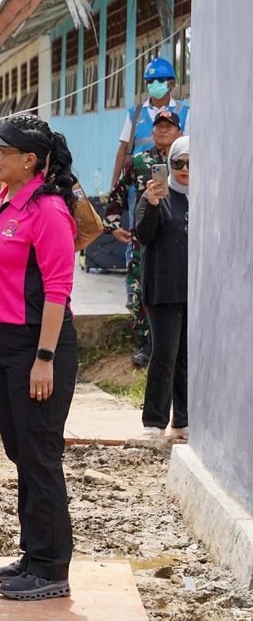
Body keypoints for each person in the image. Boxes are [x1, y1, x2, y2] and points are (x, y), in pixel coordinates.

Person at [0, 113, 78, 601]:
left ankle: (52, 568)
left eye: (1, 151)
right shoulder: (4, 200)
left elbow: (58, 289)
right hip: (2, 341)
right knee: (19, 450)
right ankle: (35, 554)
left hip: (37, 345)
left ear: (30, 160)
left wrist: (44, 357)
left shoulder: (49, 210)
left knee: (40, 455)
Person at [104, 109, 182, 367]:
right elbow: (117, 192)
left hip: (178, 240)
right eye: (158, 126)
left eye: (168, 126)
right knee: (140, 289)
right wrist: (113, 224)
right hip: (144, 238)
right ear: (152, 131)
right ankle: (147, 344)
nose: (162, 130)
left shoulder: (186, 162)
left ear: (178, 133)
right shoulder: (138, 162)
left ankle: (173, 345)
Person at [133, 136, 190, 441]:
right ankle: (154, 422)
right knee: (165, 354)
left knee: (186, 356)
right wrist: (153, 204)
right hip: (163, 288)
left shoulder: (201, 196)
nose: (184, 169)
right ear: (169, 165)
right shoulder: (155, 196)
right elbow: (143, 235)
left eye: (191, 164)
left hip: (194, 290)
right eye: (178, 163)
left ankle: (183, 421)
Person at [109, 57, 190, 188]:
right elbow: (124, 148)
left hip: (173, 185)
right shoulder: (135, 113)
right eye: (151, 81)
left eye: (160, 80)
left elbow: (188, 151)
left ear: (172, 83)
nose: (155, 83)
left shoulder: (184, 113)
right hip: (138, 185)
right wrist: (114, 183)